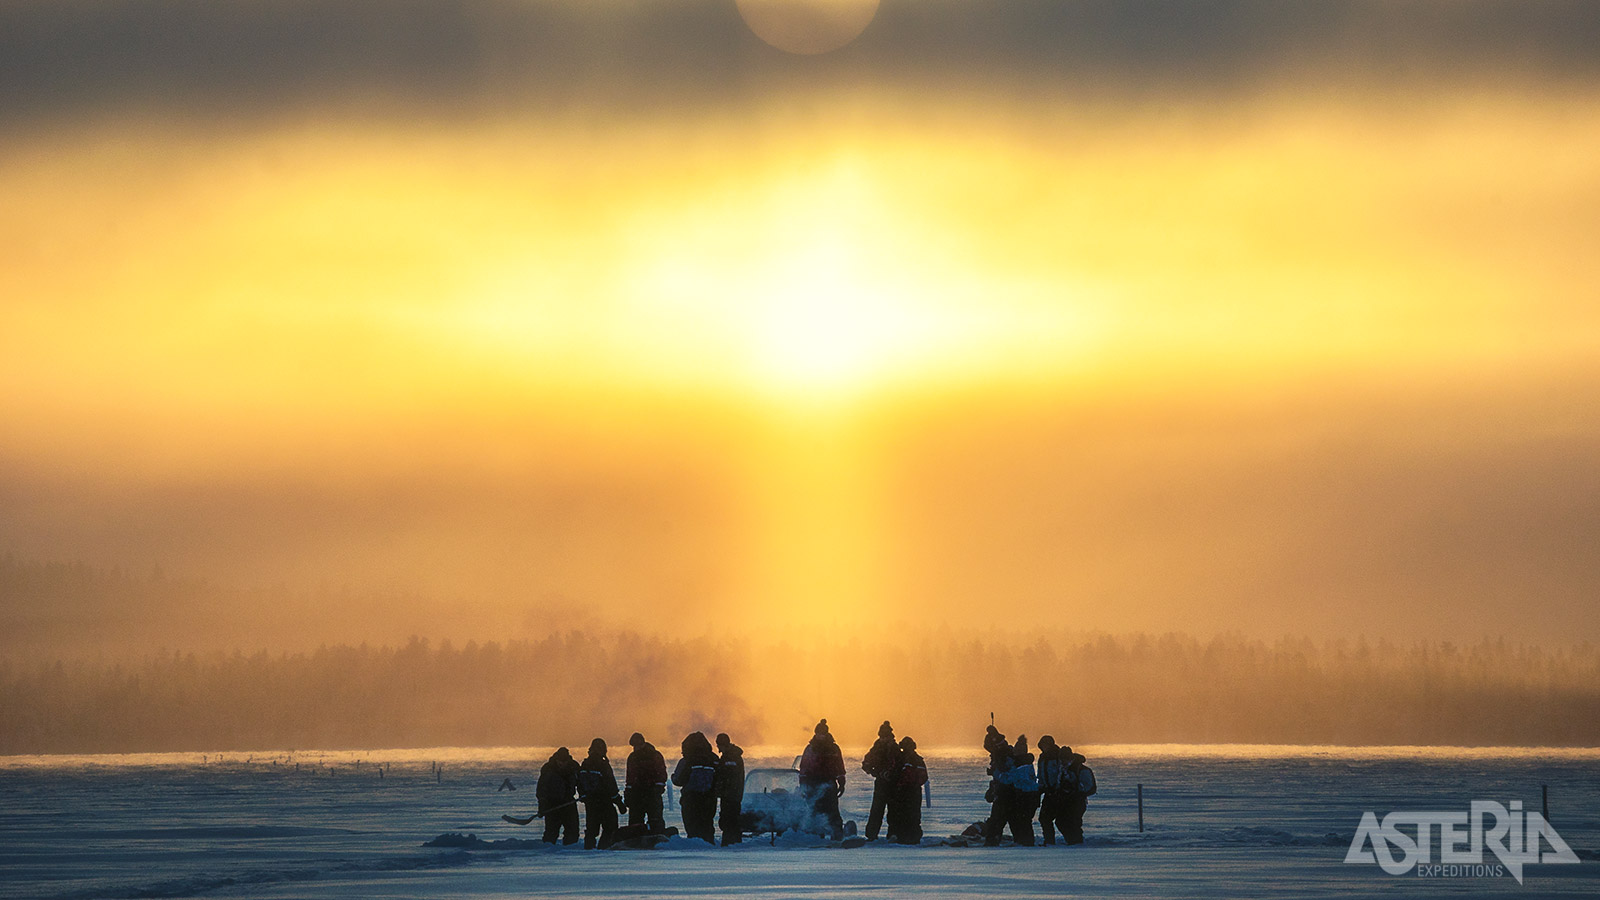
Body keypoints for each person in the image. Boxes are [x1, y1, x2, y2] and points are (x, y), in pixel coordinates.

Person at [797, 718, 846, 840]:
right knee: (813, 809)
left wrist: (841, 782)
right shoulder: (810, 748)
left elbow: (839, 765)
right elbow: (803, 767)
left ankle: (837, 835)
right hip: (812, 783)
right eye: (818, 733)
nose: (820, 736)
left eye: (822, 734)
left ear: (825, 734)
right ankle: (815, 835)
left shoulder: (834, 748)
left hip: (829, 782)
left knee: (832, 811)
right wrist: (803, 785)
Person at [576, 738, 626, 850]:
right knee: (610, 827)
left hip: (590, 803)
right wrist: (619, 803)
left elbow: (579, 783)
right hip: (604, 803)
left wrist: (583, 795)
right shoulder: (603, 765)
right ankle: (604, 848)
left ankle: (589, 848)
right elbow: (611, 785)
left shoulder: (584, 764)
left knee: (591, 829)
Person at [671, 731, 720, 843]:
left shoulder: (687, 760)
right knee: (707, 824)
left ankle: (694, 847)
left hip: (691, 798)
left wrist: (673, 777)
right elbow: (720, 777)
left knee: (692, 826)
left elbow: (679, 780)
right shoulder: (714, 759)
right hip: (709, 798)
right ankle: (709, 843)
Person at [861, 720, 899, 841]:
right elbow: (866, 762)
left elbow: (897, 765)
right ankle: (871, 835)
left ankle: (893, 834)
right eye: (881, 736)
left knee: (893, 810)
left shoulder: (894, 748)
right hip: (881, 783)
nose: (883, 739)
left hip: (893, 784)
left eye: (885, 736)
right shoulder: (876, 747)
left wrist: (889, 774)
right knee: (877, 809)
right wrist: (873, 771)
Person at [885, 735, 927, 845]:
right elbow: (923, 777)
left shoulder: (902, 759)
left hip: (904, 791)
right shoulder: (918, 760)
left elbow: (899, 774)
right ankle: (911, 836)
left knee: (902, 814)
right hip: (913, 791)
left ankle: (903, 836)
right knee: (913, 815)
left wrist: (899, 785)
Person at [624, 732, 668, 834]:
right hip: (638, 795)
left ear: (643, 743)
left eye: (636, 745)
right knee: (636, 822)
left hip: (649, 794)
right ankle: (638, 839)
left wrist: (657, 789)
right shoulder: (634, 757)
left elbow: (661, 776)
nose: (635, 748)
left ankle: (655, 838)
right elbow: (630, 778)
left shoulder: (653, 755)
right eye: (634, 746)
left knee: (654, 821)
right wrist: (628, 793)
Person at [536, 746, 581, 845]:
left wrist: (584, 794)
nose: (562, 764)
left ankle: (569, 852)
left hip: (568, 803)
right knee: (551, 832)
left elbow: (581, 783)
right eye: (560, 761)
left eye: (564, 761)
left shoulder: (574, 767)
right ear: (556, 760)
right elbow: (541, 790)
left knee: (573, 831)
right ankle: (548, 851)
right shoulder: (548, 769)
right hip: (552, 804)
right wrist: (542, 806)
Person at [1003, 735, 1040, 846]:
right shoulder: (1024, 764)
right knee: (1021, 819)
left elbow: (1011, 778)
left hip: (1026, 795)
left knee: (1024, 819)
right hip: (1028, 795)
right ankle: (1023, 840)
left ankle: (1026, 841)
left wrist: (998, 774)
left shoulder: (1022, 765)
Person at [982, 726, 1013, 846]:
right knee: (1000, 819)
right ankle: (993, 839)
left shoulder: (1005, 755)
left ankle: (992, 841)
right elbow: (987, 746)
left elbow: (1006, 774)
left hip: (1005, 791)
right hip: (1000, 790)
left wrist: (995, 772)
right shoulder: (999, 753)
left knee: (998, 819)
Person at [1036, 735, 1068, 845]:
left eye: (1045, 745)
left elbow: (1061, 772)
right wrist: (1041, 786)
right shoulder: (1042, 757)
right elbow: (1041, 773)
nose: (1044, 747)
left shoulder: (1057, 756)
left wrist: (1058, 787)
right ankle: (1049, 840)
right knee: (1044, 818)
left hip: (1058, 792)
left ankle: (1072, 839)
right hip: (1048, 791)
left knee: (1060, 820)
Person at [714, 732, 745, 846]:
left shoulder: (730, 758)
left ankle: (730, 842)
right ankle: (733, 840)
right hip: (733, 795)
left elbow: (727, 777)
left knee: (729, 820)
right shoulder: (732, 756)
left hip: (730, 795)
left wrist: (721, 788)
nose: (717, 747)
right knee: (731, 820)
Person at [1063, 747, 1097, 845]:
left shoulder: (1082, 770)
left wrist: (1076, 791)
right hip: (1068, 799)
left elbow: (1088, 786)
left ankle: (1076, 842)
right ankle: (1072, 840)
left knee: (1074, 821)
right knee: (1066, 821)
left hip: (1078, 799)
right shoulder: (1066, 768)